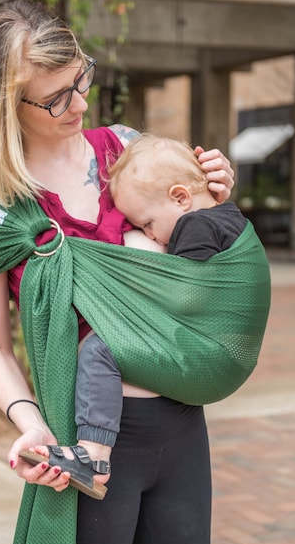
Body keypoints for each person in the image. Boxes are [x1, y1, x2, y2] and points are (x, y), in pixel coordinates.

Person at [0, 0, 236, 544]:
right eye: (54, 98)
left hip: (181, 423)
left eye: (80, 79)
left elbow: (207, 266)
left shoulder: (129, 152)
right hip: (83, 446)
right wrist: (33, 430)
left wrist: (213, 198)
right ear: (3, 106)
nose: (79, 104)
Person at [19, 134, 251, 500]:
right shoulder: (227, 216)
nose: (148, 235)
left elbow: (183, 293)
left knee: (98, 349)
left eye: (146, 223)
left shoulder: (196, 227)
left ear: (180, 198)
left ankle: (93, 455)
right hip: (197, 374)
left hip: (193, 348)